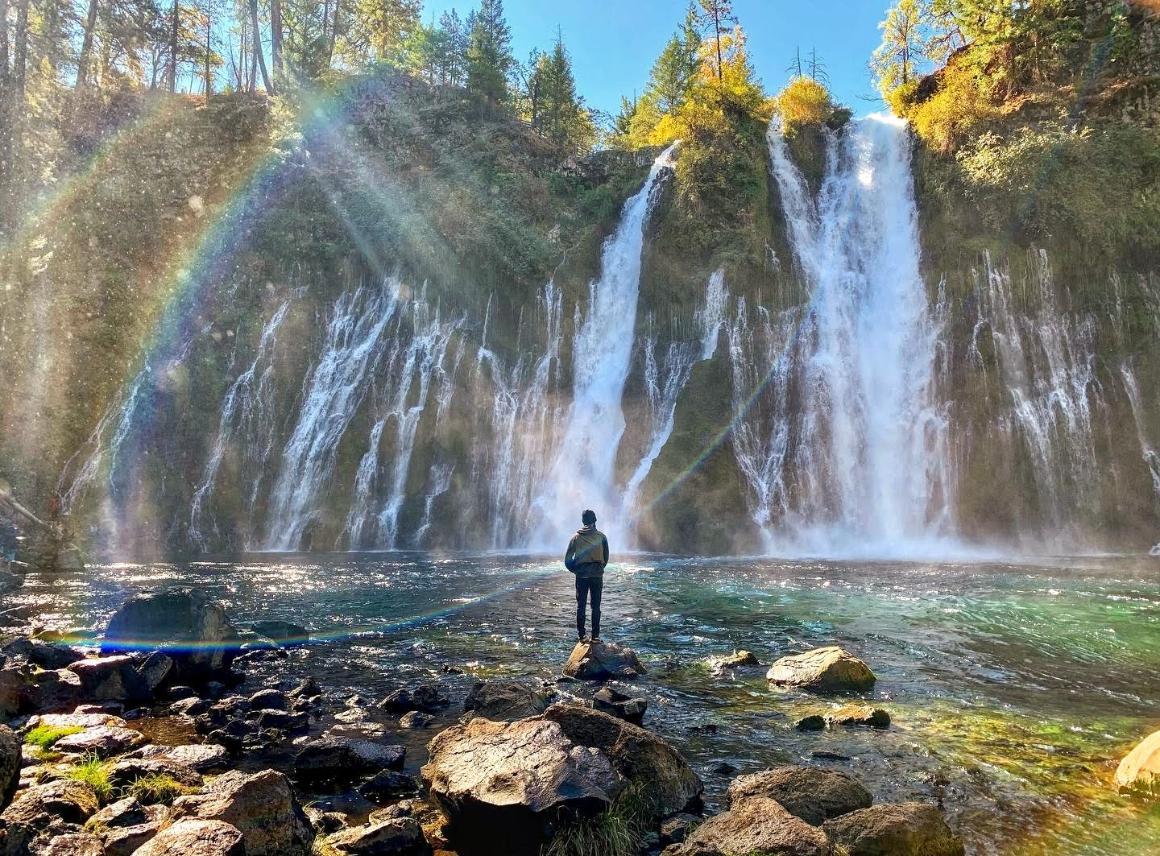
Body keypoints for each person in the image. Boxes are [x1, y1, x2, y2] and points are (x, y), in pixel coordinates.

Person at [564, 509, 609, 642]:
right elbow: (606, 557)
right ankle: (595, 636)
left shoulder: (575, 538)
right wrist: (599, 568)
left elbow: (567, 560)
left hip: (582, 575)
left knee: (581, 606)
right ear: (594, 521)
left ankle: (582, 636)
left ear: (583, 522)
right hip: (597, 575)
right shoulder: (601, 537)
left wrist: (576, 570)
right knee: (596, 607)